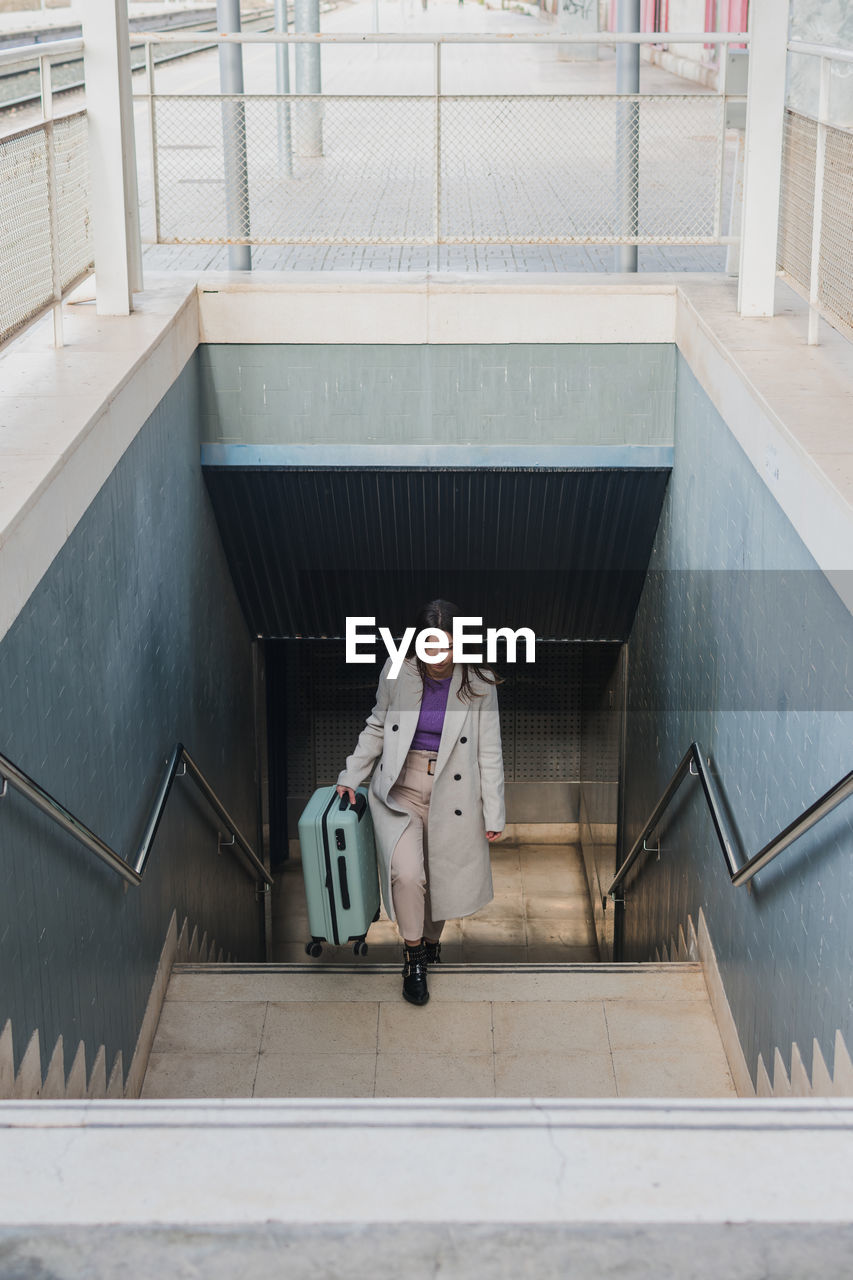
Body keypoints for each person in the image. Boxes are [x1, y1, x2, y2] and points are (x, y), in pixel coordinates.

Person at [336, 599, 505, 1005]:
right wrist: (350, 775)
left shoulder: (479, 682)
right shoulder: (398, 672)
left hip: (455, 791)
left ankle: (430, 942)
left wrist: (495, 810)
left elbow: (489, 751)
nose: (438, 657)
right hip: (401, 788)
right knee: (408, 874)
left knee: (442, 877)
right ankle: (414, 957)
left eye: (447, 647)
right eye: (430, 646)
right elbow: (377, 724)